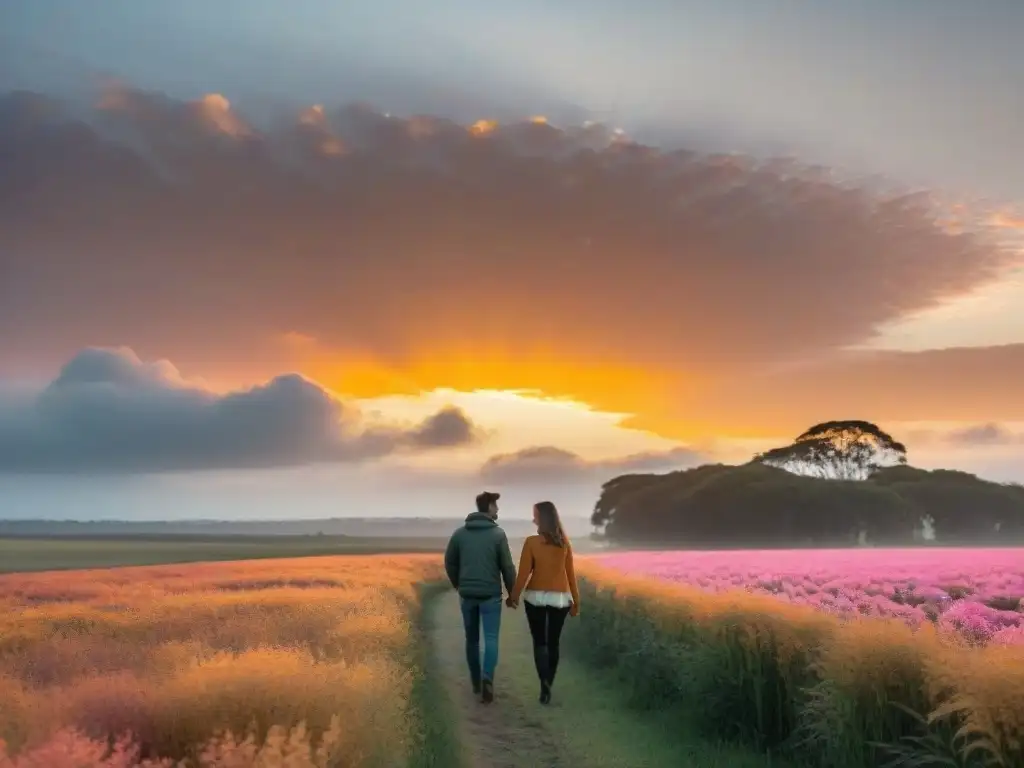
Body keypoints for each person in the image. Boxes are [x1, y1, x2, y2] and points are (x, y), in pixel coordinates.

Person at [444, 490, 516, 704]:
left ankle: (476, 683)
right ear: (490, 508)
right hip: (490, 595)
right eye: (496, 505)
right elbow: (507, 567)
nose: (498, 509)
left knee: (472, 640)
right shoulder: (498, 535)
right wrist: (513, 593)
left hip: (467, 595)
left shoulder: (459, 534)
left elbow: (449, 562)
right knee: (491, 638)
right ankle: (487, 678)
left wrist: (458, 583)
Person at [507, 500, 580, 704]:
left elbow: (523, 574)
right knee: (553, 643)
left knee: (539, 642)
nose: (533, 519)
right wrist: (576, 602)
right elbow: (570, 575)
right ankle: (549, 681)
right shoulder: (564, 543)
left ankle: (543, 685)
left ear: (542, 518)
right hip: (560, 598)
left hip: (535, 597)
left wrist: (513, 597)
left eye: (535, 515)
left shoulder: (531, 542)